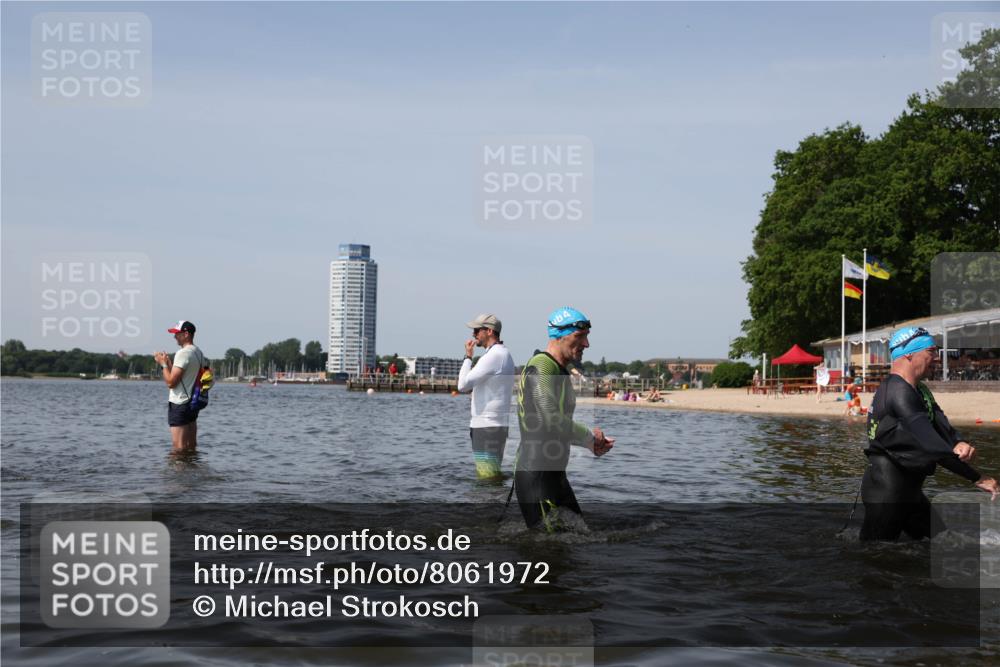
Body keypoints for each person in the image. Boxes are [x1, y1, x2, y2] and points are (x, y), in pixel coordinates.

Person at [860, 326, 998, 541]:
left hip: (910, 493)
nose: (936, 357)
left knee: (944, 543)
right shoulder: (897, 392)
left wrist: (958, 442)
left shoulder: (920, 390)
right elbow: (931, 445)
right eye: (931, 351)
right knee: (874, 561)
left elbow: (942, 425)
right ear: (909, 353)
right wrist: (978, 478)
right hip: (888, 493)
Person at [514, 307, 615, 531]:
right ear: (559, 335)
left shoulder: (558, 369)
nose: (587, 344)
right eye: (580, 336)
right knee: (546, 554)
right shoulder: (542, 366)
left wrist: (589, 443)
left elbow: (554, 427)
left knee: (578, 541)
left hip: (555, 476)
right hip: (537, 475)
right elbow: (550, 418)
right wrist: (589, 437)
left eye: (587, 337)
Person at [457, 314, 516, 480]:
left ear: (489, 331)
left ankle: (490, 505)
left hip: (487, 426)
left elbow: (462, 385)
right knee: (490, 476)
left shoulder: (493, 356)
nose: (474, 334)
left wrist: (468, 357)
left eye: (477, 330)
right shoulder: (502, 354)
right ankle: (495, 504)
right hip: (493, 425)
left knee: (486, 478)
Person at [154, 320, 205, 454]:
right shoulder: (198, 352)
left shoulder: (183, 353)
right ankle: (192, 471)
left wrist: (163, 364)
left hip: (180, 403)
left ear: (186, 334)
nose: (174, 336)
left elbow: (171, 383)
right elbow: (184, 376)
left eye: (177, 333)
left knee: (178, 448)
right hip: (192, 403)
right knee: (191, 446)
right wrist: (170, 364)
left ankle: (178, 474)